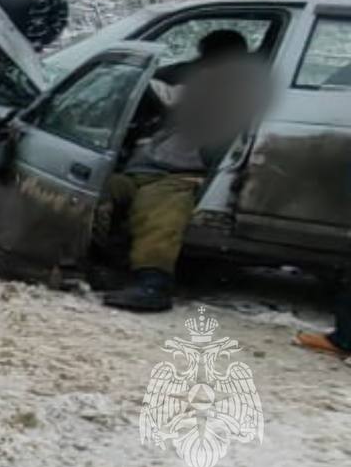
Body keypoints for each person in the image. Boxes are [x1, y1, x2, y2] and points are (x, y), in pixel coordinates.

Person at [103, 30, 269, 312]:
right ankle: (96, 261)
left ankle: (152, 282)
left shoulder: (236, 87)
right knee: (94, 192)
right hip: (140, 168)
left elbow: (172, 96)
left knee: (159, 217)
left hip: (179, 173)